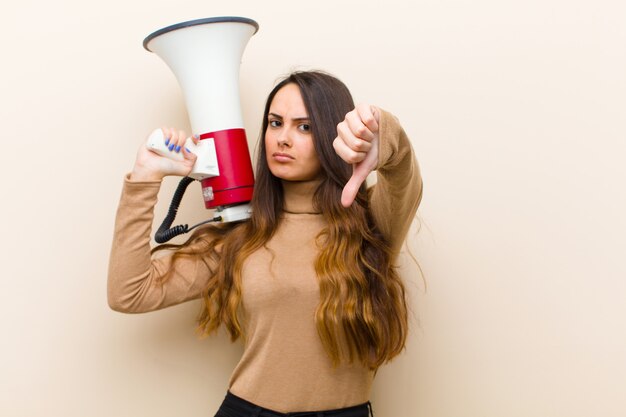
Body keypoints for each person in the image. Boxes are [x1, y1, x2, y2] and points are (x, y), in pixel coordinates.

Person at [108, 70, 423, 417]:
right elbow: (130, 292)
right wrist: (144, 177)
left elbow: (403, 175)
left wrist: (384, 133)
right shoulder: (243, 233)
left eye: (304, 127)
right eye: (275, 123)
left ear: (335, 135)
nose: (282, 139)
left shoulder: (371, 222)